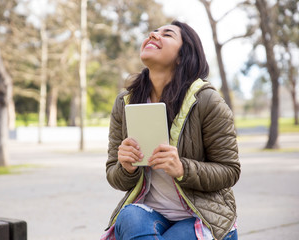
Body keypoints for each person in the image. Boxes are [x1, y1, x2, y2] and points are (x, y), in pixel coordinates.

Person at [101, 20, 241, 240]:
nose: (153, 35)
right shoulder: (125, 102)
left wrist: (182, 168)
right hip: (150, 212)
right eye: (153, 32)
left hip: (202, 217)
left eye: (167, 34)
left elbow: (230, 170)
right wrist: (126, 167)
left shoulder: (207, 101)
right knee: (127, 216)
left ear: (182, 56)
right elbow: (114, 175)